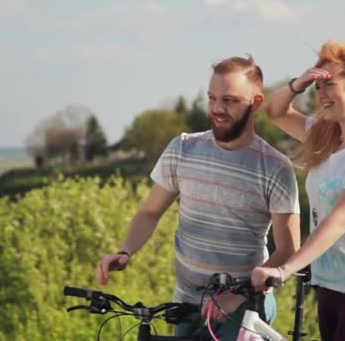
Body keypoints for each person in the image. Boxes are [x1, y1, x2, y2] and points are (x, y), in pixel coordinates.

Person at [95, 55, 301, 340]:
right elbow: (150, 212)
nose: (217, 108)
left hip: (242, 306)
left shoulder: (275, 167)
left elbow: (288, 249)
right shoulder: (183, 149)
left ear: (255, 102)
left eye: (229, 100)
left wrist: (240, 296)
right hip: (187, 302)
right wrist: (125, 251)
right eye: (212, 98)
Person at [251, 41, 345, 341]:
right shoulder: (326, 139)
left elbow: (339, 222)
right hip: (328, 292)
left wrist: (284, 270)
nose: (321, 94)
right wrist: (298, 84)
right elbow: (274, 110)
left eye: (329, 84)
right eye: (318, 87)